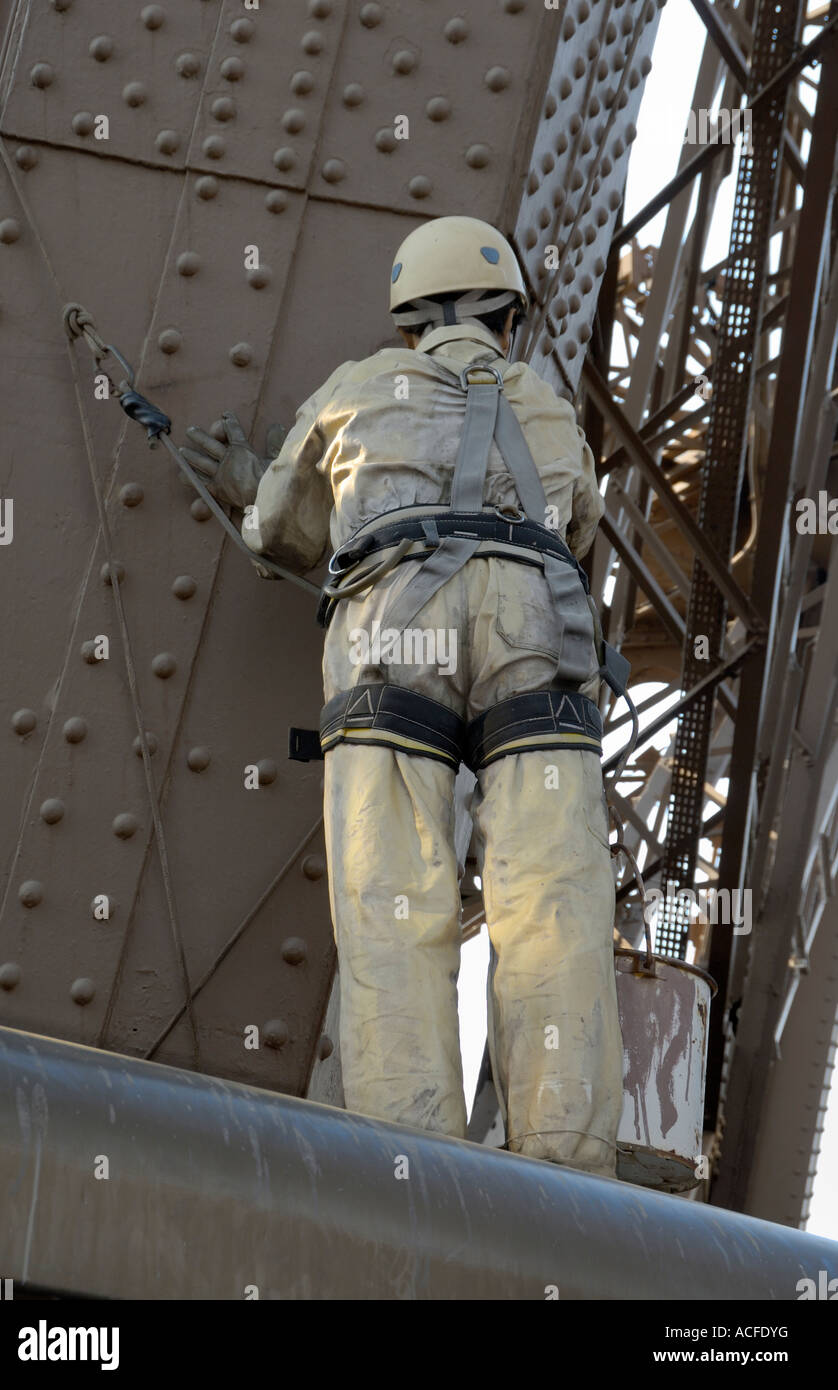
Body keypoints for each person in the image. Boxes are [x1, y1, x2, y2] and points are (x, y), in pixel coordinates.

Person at [183, 215, 627, 1179]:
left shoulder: (355, 391)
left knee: (393, 897)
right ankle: (569, 1166)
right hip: (533, 632)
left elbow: (280, 526)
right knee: (554, 904)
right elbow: (579, 527)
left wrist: (248, 484)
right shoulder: (550, 407)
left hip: (397, 633)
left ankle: (409, 1163)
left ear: (407, 322)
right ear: (509, 319)